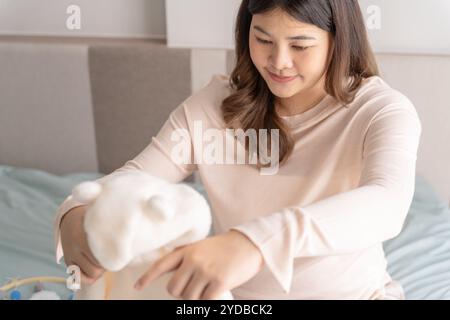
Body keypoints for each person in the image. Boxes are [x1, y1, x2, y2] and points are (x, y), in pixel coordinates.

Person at [55, 0, 421, 300]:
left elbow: (387, 202)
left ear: (339, 40)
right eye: (263, 39)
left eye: (299, 46)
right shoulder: (213, 106)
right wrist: (76, 211)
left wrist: (256, 242)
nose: (278, 62)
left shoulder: (381, 111)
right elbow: (135, 180)